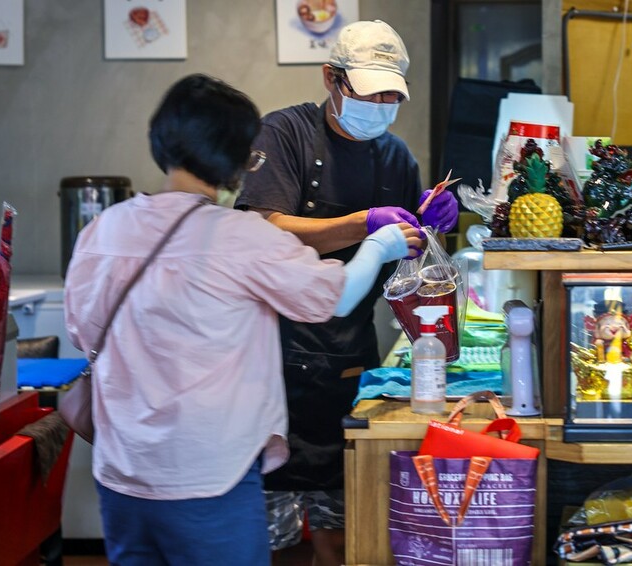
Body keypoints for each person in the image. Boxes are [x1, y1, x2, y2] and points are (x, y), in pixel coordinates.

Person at [63, 73, 423, 565]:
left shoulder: (104, 230)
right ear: (241, 158)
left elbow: (83, 333)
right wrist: (378, 243)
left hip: (121, 474)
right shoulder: (240, 237)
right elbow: (334, 297)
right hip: (210, 477)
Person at [234, 19, 459, 566]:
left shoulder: (396, 157)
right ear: (332, 79)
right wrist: (361, 226)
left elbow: (402, 270)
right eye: (369, 90)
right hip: (273, 357)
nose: (381, 104)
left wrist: (432, 230)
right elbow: (258, 229)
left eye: (391, 94)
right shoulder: (282, 134)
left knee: (345, 531)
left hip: (350, 356)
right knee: (276, 538)